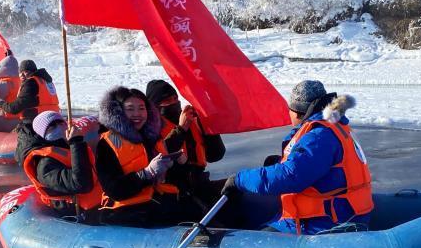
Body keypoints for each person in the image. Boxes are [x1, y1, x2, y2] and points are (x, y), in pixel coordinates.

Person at [221, 80, 373, 235]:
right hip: (347, 212)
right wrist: (279, 163)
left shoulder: (319, 136)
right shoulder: (335, 126)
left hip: (324, 224)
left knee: (254, 241)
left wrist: (240, 180)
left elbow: (291, 176)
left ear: (297, 111)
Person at [95, 85, 197, 227]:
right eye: (130, 109)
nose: (137, 114)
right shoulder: (106, 144)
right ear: (119, 112)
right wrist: (147, 173)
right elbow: (114, 189)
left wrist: (182, 164)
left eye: (141, 108)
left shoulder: (152, 138)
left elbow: (170, 178)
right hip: (124, 214)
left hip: (156, 207)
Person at [145, 79, 226, 203]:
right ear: (155, 106)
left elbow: (216, 155)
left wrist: (208, 128)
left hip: (199, 183)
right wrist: (181, 129)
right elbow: (158, 154)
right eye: (167, 101)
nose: (173, 103)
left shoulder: (191, 119)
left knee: (235, 187)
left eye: (175, 98)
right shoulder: (149, 128)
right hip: (172, 192)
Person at [21, 112, 101, 220]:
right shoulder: (45, 164)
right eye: (52, 126)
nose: (59, 127)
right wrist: (76, 143)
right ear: (43, 135)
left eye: (61, 122)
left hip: (99, 204)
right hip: (80, 213)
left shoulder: (70, 148)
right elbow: (81, 184)